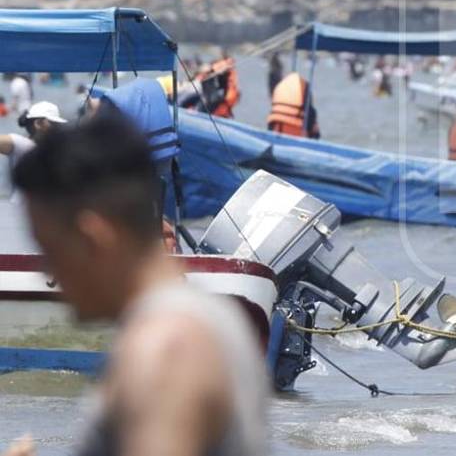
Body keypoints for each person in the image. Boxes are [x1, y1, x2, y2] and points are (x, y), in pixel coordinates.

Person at [8, 115, 267, 455]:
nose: (48, 270)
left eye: (51, 249)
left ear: (93, 238)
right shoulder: (199, 320)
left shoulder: (163, 350)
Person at [0, 102, 67, 200]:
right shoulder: (22, 143)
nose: (58, 128)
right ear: (38, 124)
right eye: (54, 123)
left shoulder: (53, 151)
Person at [267, 72, 320, 139]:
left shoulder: (276, 107)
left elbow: (270, 126)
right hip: (298, 141)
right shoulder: (310, 112)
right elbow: (316, 135)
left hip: (276, 139)